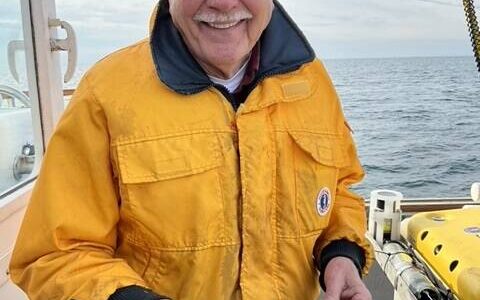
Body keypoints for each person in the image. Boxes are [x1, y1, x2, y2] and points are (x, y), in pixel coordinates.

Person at [9, 0, 374, 299]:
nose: (223, 3)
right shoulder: (104, 96)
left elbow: (339, 189)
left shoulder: (314, 83)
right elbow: (54, 254)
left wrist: (341, 255)